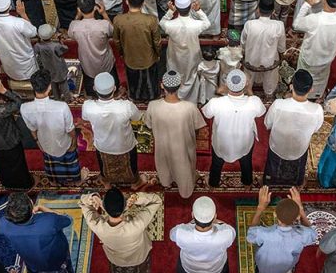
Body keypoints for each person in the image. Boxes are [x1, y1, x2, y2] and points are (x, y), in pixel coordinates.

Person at [0, 193, 89, 273]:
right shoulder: (49, 221)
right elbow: (67, 220)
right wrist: (42, 208)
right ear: (31, 206)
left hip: (30, 258)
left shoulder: (3, 224)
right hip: (56, 258)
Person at [80, 189, 162, 273]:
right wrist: (138, 198)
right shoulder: (137, 224)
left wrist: (92, 197)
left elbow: (82, 203)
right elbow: (157, 201)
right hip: (139, 257)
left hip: (115, 259)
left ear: (103, 207)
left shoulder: (97, 225)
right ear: (125, 206)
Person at [244, 187, 314, 273]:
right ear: (297, 217)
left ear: (276, 215)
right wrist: (300, 208)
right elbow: (312, 234)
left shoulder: (264, 233)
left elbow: (251, 235)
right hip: (286, 271)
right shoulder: (302, 235)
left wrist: (260, 208)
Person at [145, 70, 206, 198]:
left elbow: (149, 126)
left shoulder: (153, 106)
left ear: (162, 85)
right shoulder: (190, 107)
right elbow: (198, 128)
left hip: (163, 148)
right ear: (180, 85)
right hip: (183, 149)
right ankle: (185, 192)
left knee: (164, 166)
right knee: (184, 171)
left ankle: (166, 182)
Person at [82, 72, 149, 189]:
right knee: (131, 166)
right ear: (114, 89)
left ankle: (106, 182)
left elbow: (85, 118)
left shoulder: (88, 106)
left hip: (102, 146)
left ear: (94, 89)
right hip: (125, 146)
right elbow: (137, 117)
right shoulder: (126, 106)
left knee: (103, 166)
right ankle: (135, 182)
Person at [202, 69, 266, 188]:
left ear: (227, 85)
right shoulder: (254, 102)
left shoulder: (216, 103)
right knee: (246, 163)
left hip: (222, 142)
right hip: (244, 142)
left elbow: (206, 114)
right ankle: (247, 182)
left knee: (216, 164)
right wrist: (249, 91)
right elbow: (261, 112)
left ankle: (213, 182)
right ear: (246, 84)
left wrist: (221, 91)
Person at [21, 70, 86, 183]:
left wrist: (38, 142)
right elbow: (70, 130)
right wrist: (73, 144)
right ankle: (76, 179)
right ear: (50, 87)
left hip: (44, 144)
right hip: (64, 144)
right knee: (71, 164)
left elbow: (32, 129)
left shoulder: (25, 108)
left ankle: (54, 180)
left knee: (52, 167)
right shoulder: (61, 107)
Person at [170, 196, 236, 273]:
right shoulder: (227, 233)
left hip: (189, 267)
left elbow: (172, 235)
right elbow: (227, 228)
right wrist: (215, 222)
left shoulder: (181, 233)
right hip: (216, 268)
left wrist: (190, 224)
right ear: (214, 217)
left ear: (192, 215)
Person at [263, 69, 323, 187]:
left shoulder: (278, 104)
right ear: (311, 89)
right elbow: (316, 129)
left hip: (277, 147)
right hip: (299, 150)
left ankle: (269, 182)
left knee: (272, 167)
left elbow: (267, 124)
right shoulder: (317, 110)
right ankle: (296, 183)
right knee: (298, 170)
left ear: (291, 86)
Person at [293, 0, 336, 99]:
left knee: (303, 76)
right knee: (321, 79)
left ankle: (301, 94)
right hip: (327, 59)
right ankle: (317, 95)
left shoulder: (315, 19)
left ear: (324, 1)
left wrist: (307, 4)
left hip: (309, 57)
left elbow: (296, 24)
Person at [159, 0, 210, 102]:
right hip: (192, 56)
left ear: (176, 7)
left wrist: (170, 11)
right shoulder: (195, 24)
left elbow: (162, 23)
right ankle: (191, 100)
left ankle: (176, 98)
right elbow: (207, 23)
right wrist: (198, 10)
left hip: (175, 56)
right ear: (190, 7)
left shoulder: (170, 25)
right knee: (191, 76)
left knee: (175, 74)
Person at [113, 0, 161, 101]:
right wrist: (158, 53)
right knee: (150, 80)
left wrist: (121, 53)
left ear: (127, 2)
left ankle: (135, 97)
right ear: (143, 3)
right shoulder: (151, 20)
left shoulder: (119, 20)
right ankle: (151, 97)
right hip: (148, 58)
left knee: (133, 79)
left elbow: (116, 41)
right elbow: (157, 41)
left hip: (130, 58)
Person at [68, 0, 116, 97]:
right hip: (105, 61)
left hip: (87, 64)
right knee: (110, 79)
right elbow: (113, 32)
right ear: (95, 8)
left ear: (79, 9)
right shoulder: (103, 24)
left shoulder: (74, 26)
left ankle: (92, 94)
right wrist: (104, 14)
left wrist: (77, 16)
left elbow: (70, 35)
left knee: (90, 86)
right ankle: (112, 93)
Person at [241, 0, 285, 99]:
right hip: (270, 63)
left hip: (251, 61)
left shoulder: (249, 24)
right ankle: (268, 96)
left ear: (258, 9)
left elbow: (242, 44)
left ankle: (248, 93)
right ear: (273, 11)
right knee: (270, 81)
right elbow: (281, 48)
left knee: (248, 81)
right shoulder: (279, 25)